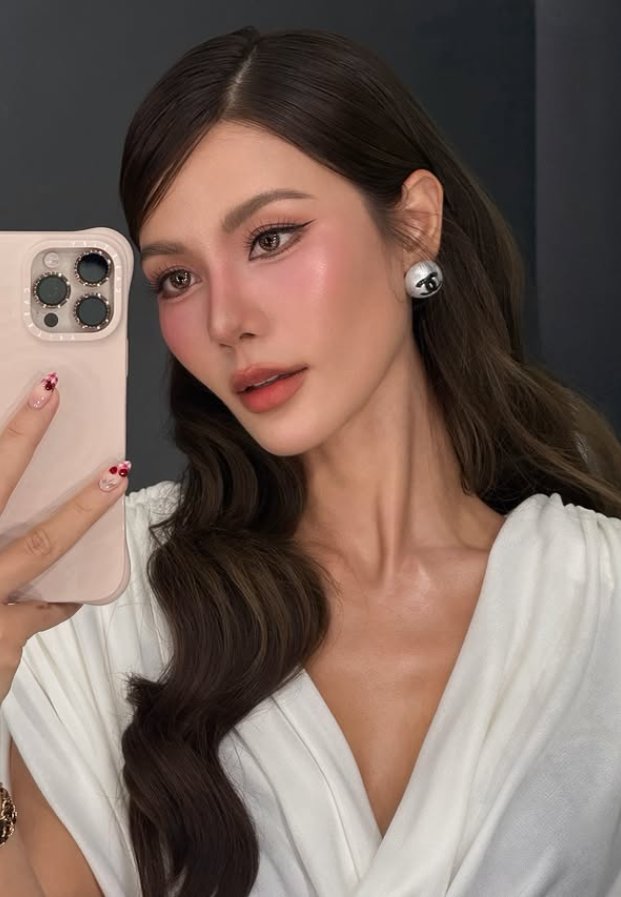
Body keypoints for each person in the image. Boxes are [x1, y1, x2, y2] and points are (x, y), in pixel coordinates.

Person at [1, 23, 621, 897]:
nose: (226, 321)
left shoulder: (599, 600)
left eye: (270, 238)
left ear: (414, 224)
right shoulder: (105, 609)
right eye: (177, 277)